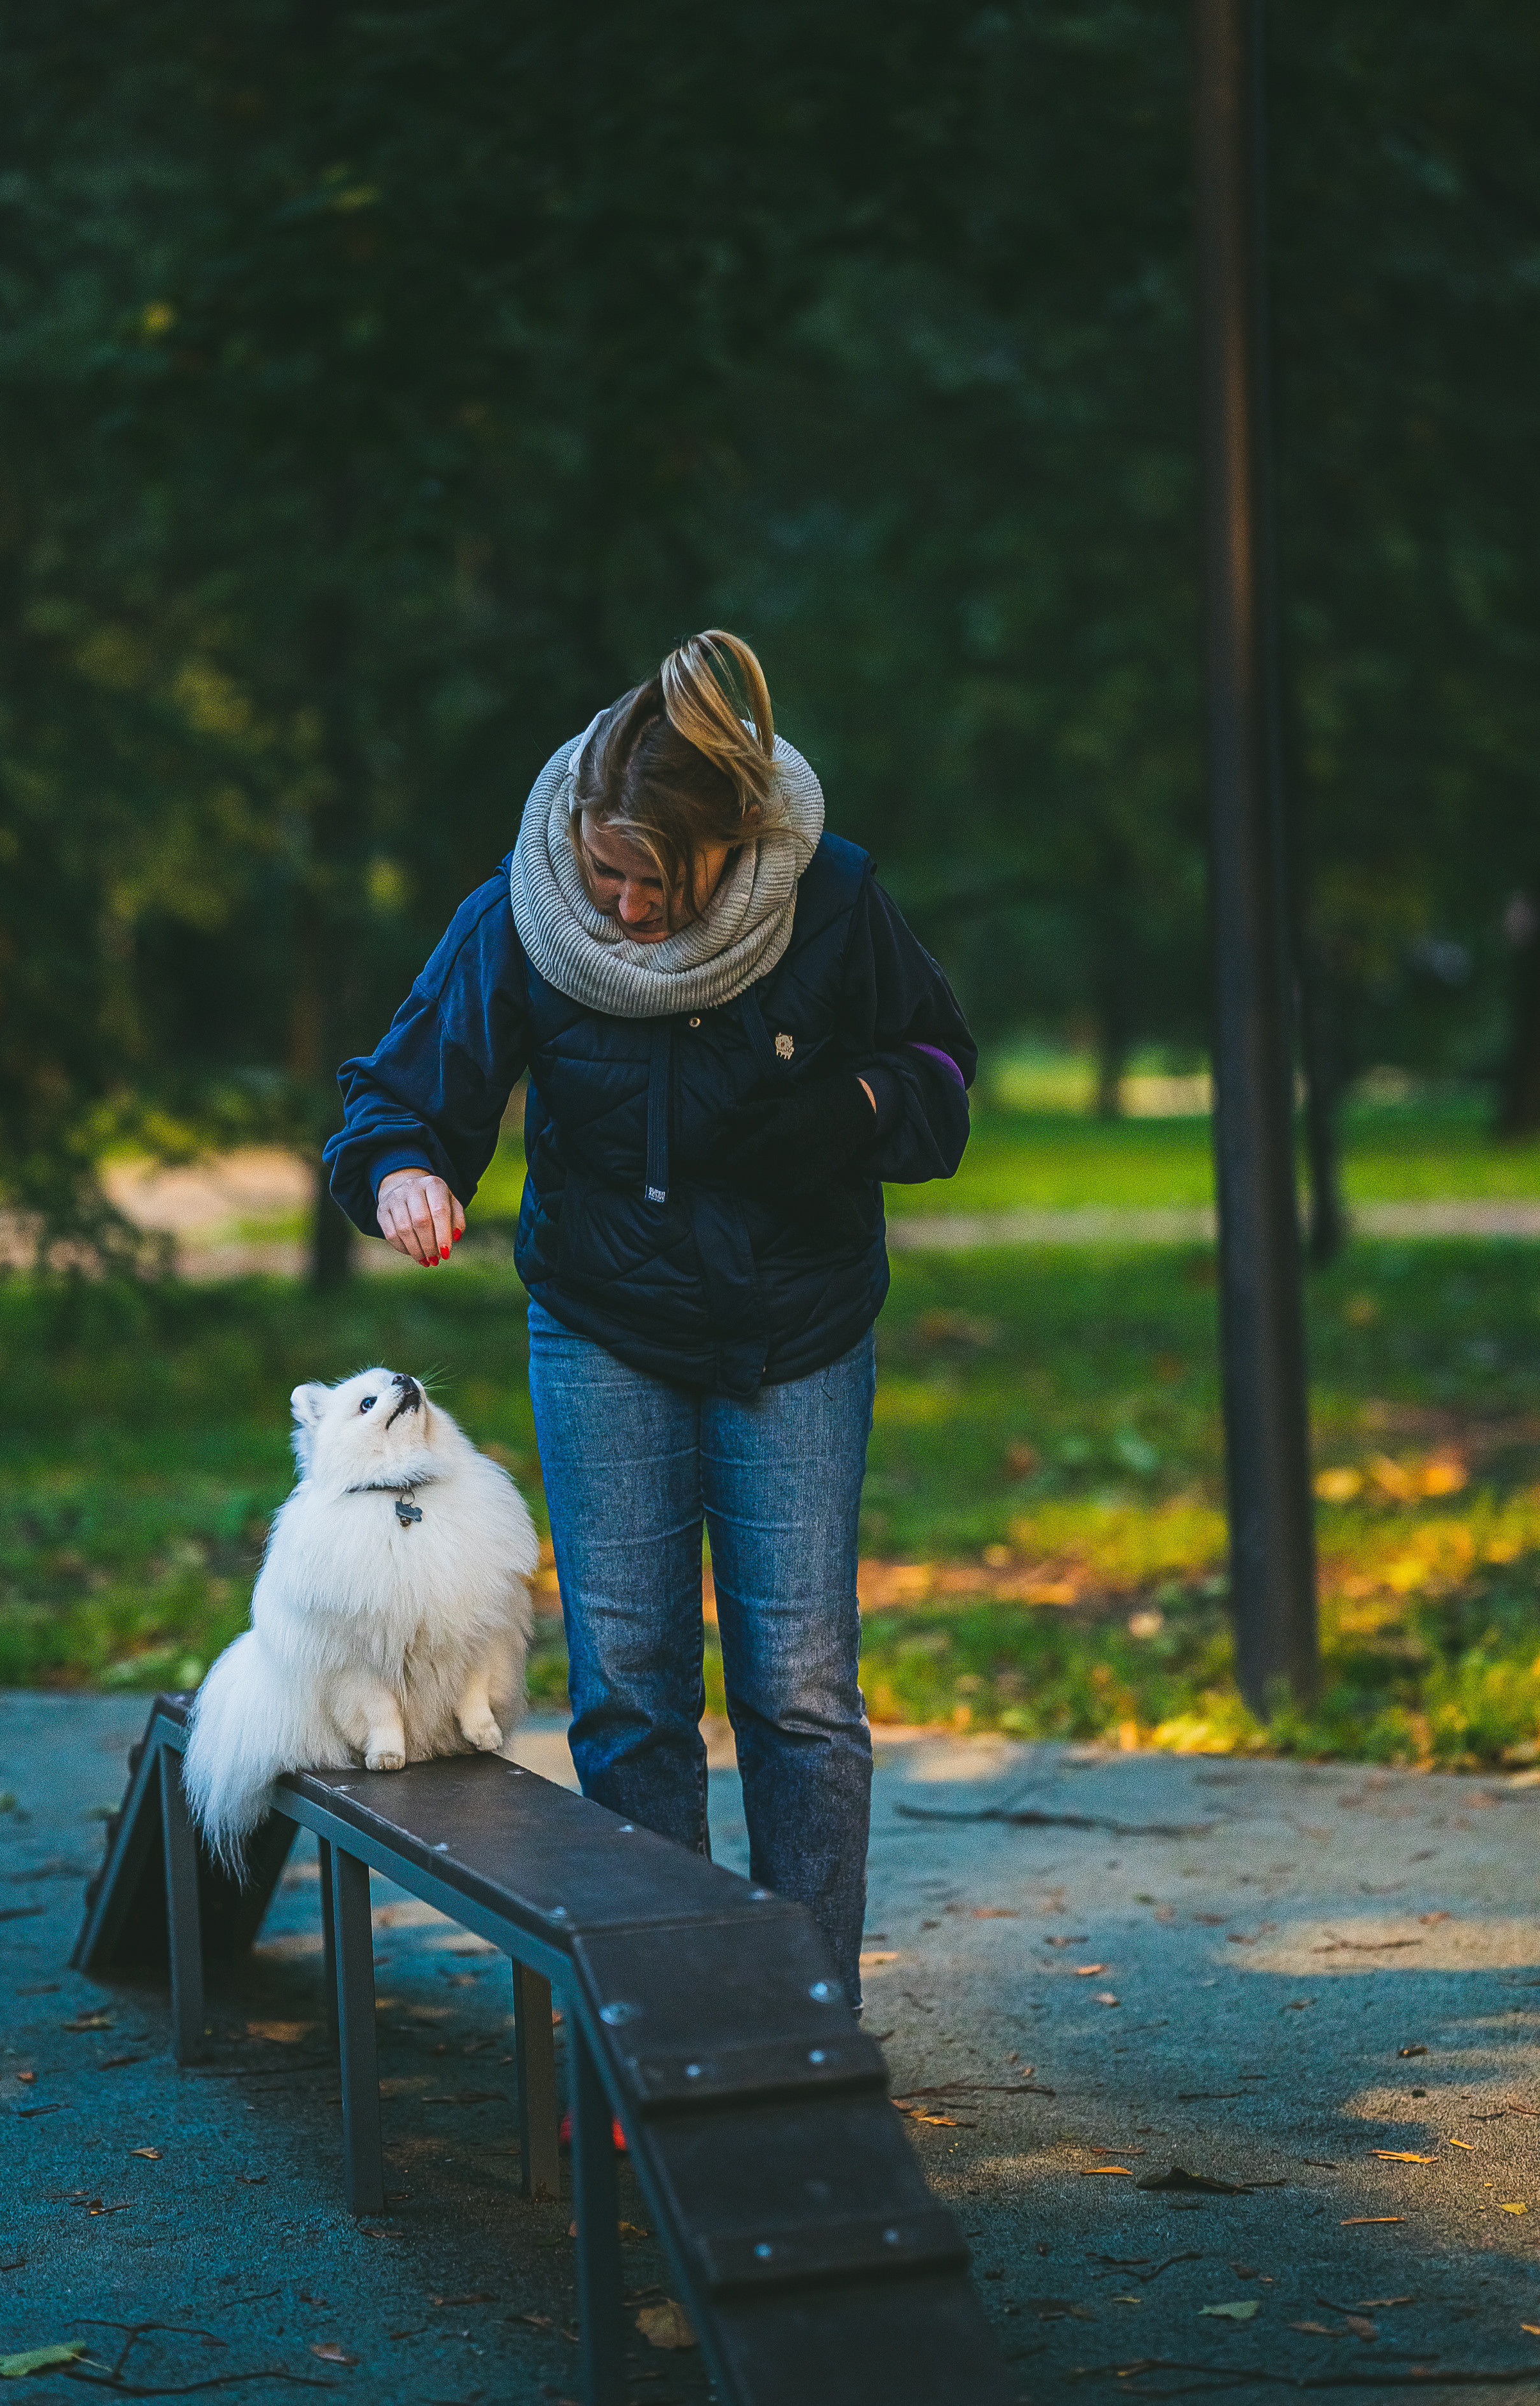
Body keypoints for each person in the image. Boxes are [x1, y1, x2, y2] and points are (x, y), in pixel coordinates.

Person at [325, 631, 974, 2006]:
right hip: (604, 1329)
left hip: (793, 1333)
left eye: (651, 883)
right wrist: (402, 1174)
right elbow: (397, 1096)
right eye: (604, 872)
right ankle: (658, 2018)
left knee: (799, 1694)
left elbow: (936, 1072)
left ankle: (804, 2019)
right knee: (628, 1695)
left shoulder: (834, 899)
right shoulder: (525, 907)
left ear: (733, 852)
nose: (617, 905)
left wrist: (853, 1111)